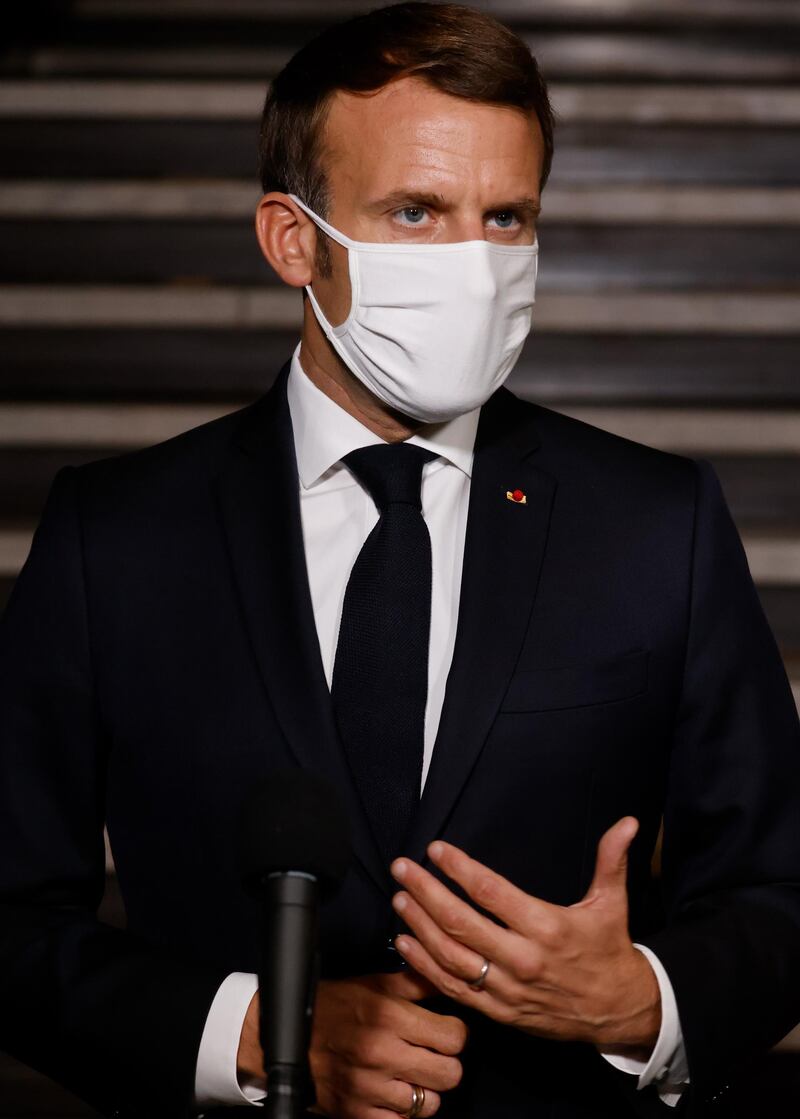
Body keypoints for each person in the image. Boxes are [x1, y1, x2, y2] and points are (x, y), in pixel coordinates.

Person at [1, 4, 798, 1118]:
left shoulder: (655, 522)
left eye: (506, 215)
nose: (474, 266)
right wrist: (253, 1035)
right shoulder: (117, 534)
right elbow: (12, 916)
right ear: (293, 241)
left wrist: (637, 1001)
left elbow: (777, 890)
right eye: (416, 211)